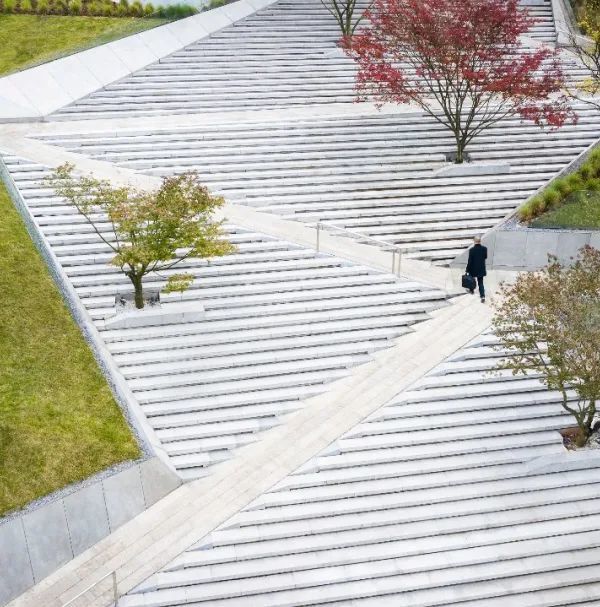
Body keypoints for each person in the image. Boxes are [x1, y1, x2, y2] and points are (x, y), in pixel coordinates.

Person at [466, 235, 487, 303]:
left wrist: (467, 269)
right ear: (480, 241)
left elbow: (470, 261)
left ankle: (471, 291)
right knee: (481, 283)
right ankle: (482, 296)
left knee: (472, 280)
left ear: (474, 241)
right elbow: (485, 257)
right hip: (481, 268)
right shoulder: (484, 248)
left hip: (473, 268)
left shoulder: (471, 250)